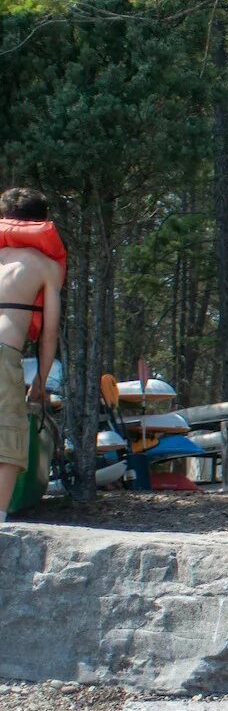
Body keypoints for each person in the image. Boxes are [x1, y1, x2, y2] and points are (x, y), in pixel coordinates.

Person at [0, 187, 64, 521]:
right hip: (3, 352)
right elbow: (49, 334)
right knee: (8, 432)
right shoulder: (45, 267)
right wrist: (40, 377)